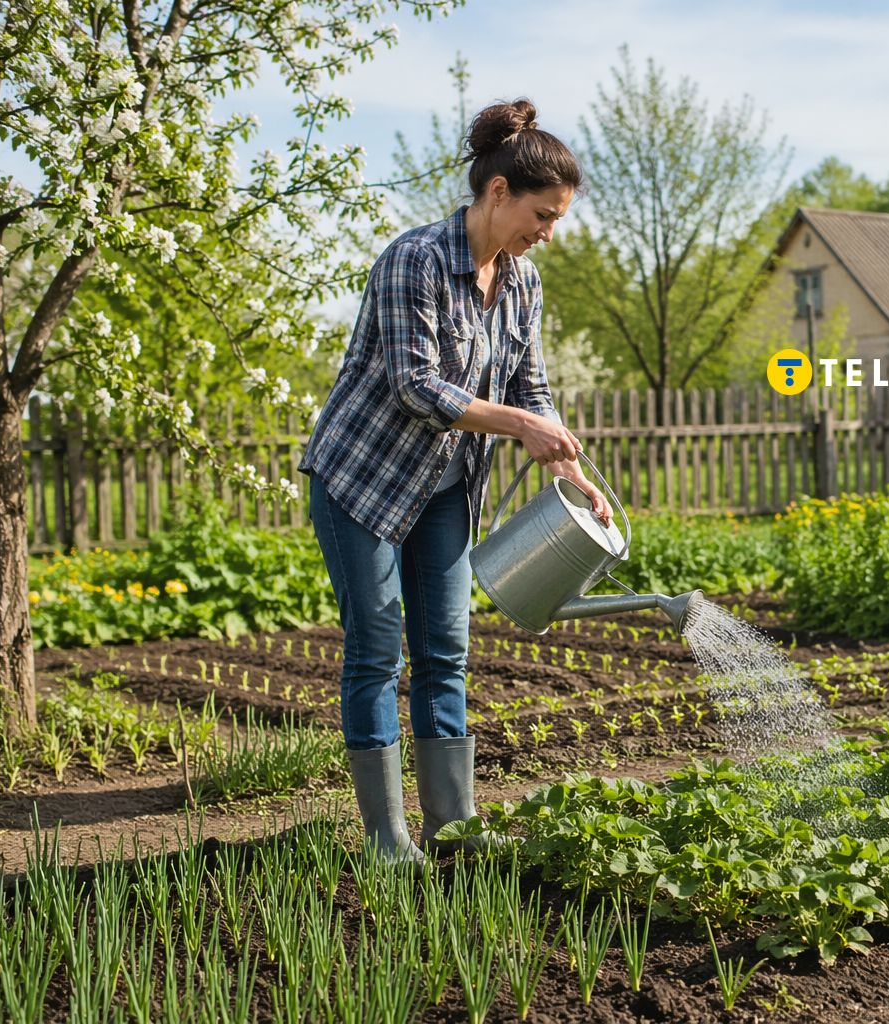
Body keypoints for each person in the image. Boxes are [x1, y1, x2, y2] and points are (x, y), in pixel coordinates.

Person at [297, 99, 611, 863]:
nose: (548, 232)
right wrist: (521, 427)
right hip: (361, 480)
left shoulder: (523, 284)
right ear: (497, 192)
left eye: (558, 219)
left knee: (445, 649)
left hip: (443, 488)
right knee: (377, 648)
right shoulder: (413, 260)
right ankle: (386, 837)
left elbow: (531, 388)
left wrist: (568, 465)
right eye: (543, 214)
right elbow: (416, 387)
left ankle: (453, 828)